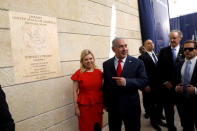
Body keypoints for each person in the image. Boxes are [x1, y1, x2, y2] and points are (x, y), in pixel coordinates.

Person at [103, 37, 148, 131]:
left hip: (131, 107)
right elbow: (106, 85)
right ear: (113, 49)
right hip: (113, 108)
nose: (124, 49)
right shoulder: (106, 64)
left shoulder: (138, 63)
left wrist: (127, 82)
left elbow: (143, 82)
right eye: (120, 47)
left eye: (125, 46)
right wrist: (106, 103)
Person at [157, 30, 185, 131]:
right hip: (167, 89)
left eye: (174, 38)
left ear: (180, 38)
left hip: (181, 89)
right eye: (170, 38)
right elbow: (159, 69)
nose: (172, 40)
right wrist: (164, 81)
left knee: (183, 112)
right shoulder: (163, 51)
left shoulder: (186, 50)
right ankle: (171, 128)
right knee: (168, 113)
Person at [71, 49, 103, 131]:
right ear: (82, 61)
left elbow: (102, 89)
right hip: (84, 108)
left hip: (97, 106)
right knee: (86, 128)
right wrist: (76, 108)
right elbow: (75, 92)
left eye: (90, 58)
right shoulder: (78, 74)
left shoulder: (99, 72)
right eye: (86, 59)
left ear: (93, 59)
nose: (89, 61)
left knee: (97, 127)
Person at [139, 39, 166, 131]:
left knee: (159, 104)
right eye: (148, 43)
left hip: (160, 86)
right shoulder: (142, 57)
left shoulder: (158, 55)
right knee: (152, 105)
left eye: (152, 43)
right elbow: (142, 73)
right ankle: (154, 122)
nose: (151, 44)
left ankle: (159, 120)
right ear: (145, 46)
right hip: (150, 86)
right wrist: (145, 85)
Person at [175, 40, 197, 131]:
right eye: (185, 49)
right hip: (182, 103)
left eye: (190, 49)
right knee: (186, 126)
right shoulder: (179, 64)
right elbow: (174, 81)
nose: (187, 51)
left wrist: (196, 90)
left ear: (196, 50)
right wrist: (176, 87)